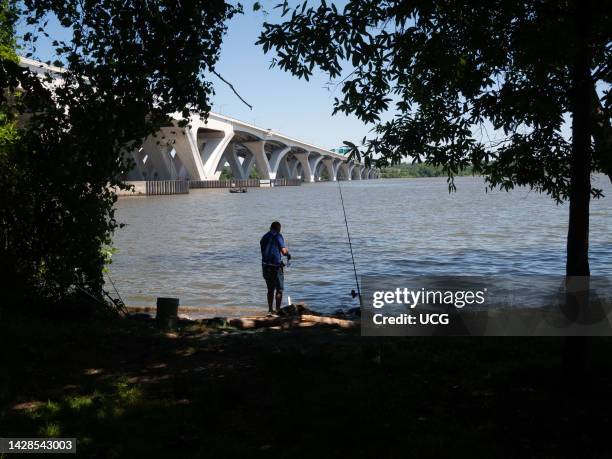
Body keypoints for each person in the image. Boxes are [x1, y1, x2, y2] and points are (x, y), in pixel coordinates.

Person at [260, 221, 291, 314]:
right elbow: (283, 251)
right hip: (276, 268)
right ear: (278, 229)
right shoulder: (278, 236)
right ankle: (277, 311)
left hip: (265, 267)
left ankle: (270, 310)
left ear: (270, 227)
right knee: (279, 290)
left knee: (270, 289)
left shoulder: (264, 237)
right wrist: (288, 253)